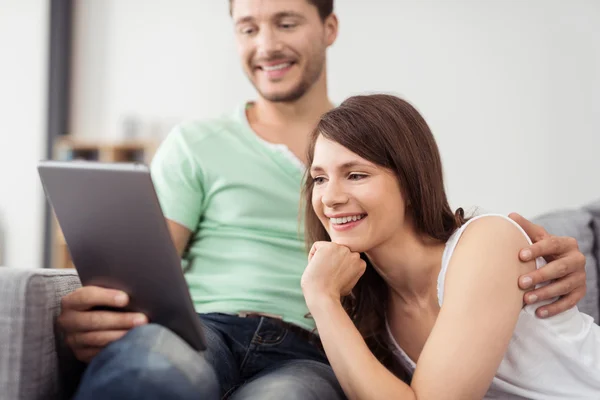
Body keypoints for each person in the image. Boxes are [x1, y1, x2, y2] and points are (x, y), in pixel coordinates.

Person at [57, 1, 587, 399]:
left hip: (312, 348)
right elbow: (142, 279)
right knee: (153, 369)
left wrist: (543, 264)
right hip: (210, 325)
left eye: (286, 22)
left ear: (328, 28)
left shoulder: (368, 140)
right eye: (248, 27)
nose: (266, 44)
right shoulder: (195, 146)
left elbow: (465, 264)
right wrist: (98, 308)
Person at [301, 93, 599, 400]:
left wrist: (322, 298)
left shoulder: (488, 242)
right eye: (319, 179)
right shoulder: (375, 304)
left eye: (355, 175)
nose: (330, 198)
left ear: (411, 183)